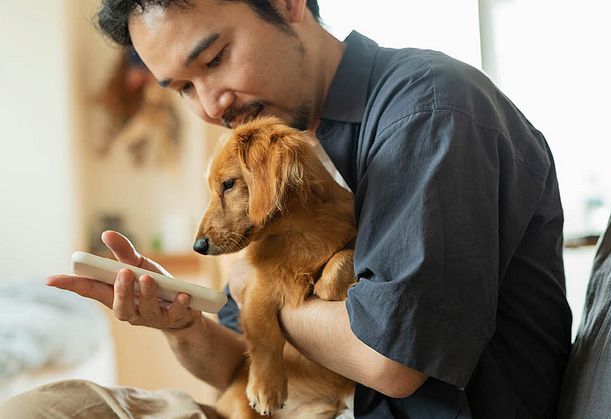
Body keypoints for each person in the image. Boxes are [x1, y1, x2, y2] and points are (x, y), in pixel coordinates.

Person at [0, 0, 572, 417]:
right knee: (45, 410)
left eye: (216, 58)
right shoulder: (276, 160)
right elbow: (240, 370)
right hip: (297, 409)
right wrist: (179, 324)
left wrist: (257, 290)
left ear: (286, 3)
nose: (211, 105)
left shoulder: (427, 111)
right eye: (182, 88)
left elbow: (389, 363)